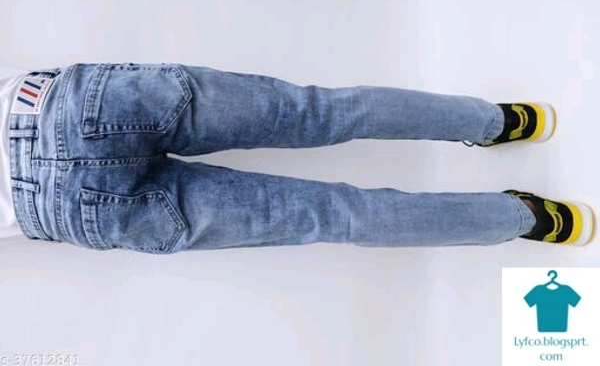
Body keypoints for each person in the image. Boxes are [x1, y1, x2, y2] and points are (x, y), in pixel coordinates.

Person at [0, 63, 595, 254]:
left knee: (335, 215)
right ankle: (496, 122)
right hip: (53, 105)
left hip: (59, 209)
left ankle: (524, 218)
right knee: (325, 112)